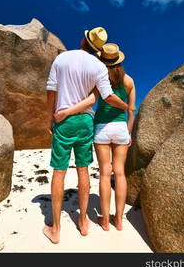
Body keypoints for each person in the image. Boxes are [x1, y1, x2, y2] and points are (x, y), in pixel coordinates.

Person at [44, 28, 129, 244]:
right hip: (86, 122)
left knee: (59, 172)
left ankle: (56, 229)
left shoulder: (61, 59)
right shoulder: (99, 66)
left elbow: (51, 92)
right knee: (83, 170)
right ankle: (83, 222)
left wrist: (49, 119)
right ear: (98, 49)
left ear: (83, 40)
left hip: (63, 121)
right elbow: (107, 96)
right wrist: (126, 106)